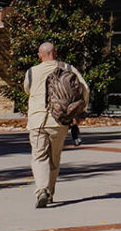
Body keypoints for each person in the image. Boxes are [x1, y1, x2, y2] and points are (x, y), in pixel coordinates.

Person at [25, 42, 88, 208]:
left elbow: (27, 89)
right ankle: (50, 193)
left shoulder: (32, 71)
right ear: (56, 52)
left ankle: (41, 190)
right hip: (60, 120)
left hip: (37, 120)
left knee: (39, 156)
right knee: (54, 158)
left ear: (40, 55)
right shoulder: (68, 68)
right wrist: (79, 112)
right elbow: (85, 89)